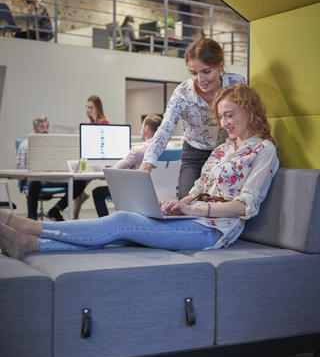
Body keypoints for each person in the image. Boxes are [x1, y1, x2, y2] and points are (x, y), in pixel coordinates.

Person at [1, 84, 279, 258]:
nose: (224, 122)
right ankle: (29, 244)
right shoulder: (223, 148)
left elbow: (245, 206)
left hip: (215, 231)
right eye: (221, 116)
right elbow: (197, 191)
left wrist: (193, 210)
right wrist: (177, 204)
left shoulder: (263, 150)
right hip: (192, 219)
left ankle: (29, 226)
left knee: (122, 221)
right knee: (122, 234)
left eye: (230, 115)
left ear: (250, 111)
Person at [139, 38, 246, 199]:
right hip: (195, 153)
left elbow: (248, 116)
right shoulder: (182, 93)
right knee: (186, 201)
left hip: (229, 151)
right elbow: (166, 127)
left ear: (220, 66)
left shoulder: (236, 83)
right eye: (193, 73)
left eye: (206, 71)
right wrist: (148, 161)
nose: (200, 80)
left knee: (222, 201)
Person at [16, 115, 87, 221]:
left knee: (79, 183)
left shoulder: (52, 144)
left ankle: (56, 210)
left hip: (51, 178)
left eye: (47, 127)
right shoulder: (25, 145)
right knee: (34, 182)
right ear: (35, 129)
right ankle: (32, 218)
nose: (45, 130)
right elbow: (20, 170)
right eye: (42, 127)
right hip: (34, 179)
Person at [92, 114, 165, 217]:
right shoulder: (170, 147)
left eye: (142, 126)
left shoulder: (138, 150)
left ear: (147, 128)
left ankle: (105, 223)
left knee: (97, 192)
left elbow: (116, 169)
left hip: (138, 193)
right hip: (163, 193)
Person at [73, 95, 110, 219]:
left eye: (92, 107)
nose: (89, 110)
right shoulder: (90, 123)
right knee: (78, 183)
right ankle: (75, 216)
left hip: (101, 162)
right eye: (88, 107)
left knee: (79, 185)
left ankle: (74, 215)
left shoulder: (104, 123)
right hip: (90, 161)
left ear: (98, 108)